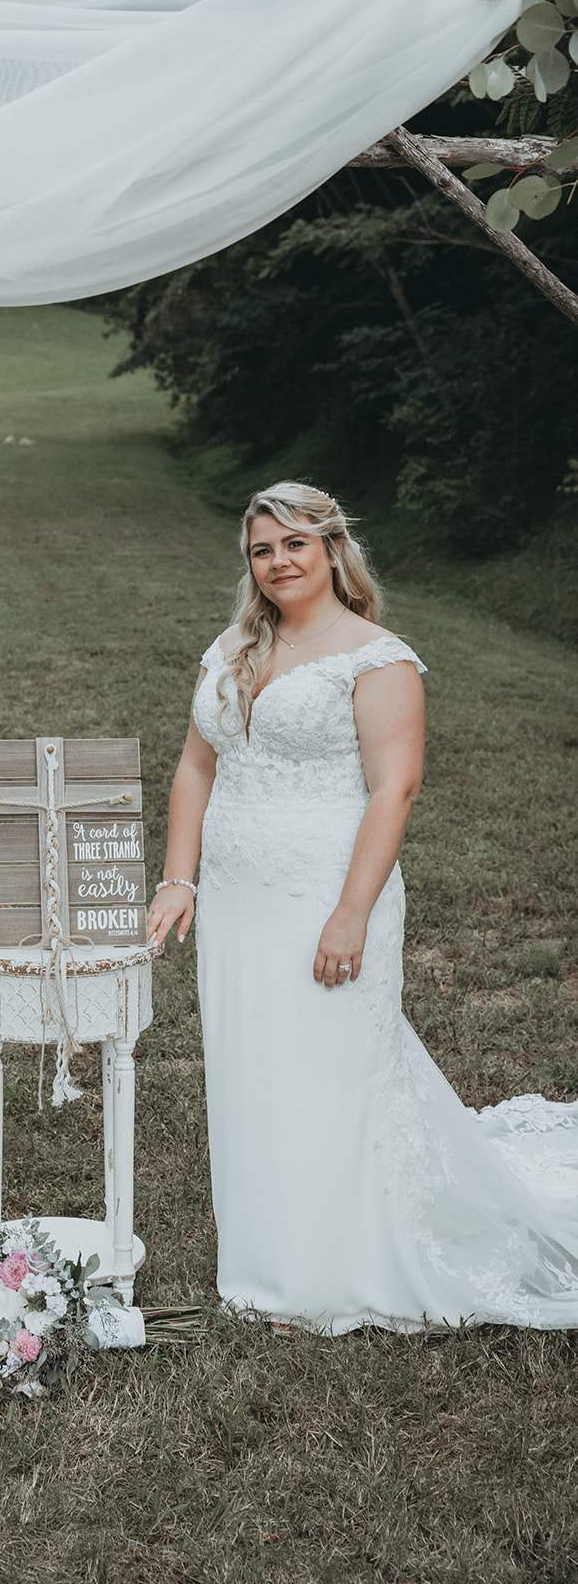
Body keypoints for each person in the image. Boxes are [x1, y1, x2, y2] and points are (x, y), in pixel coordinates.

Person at [147, 481, 578, 1334]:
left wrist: (350, 913)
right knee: (253, 1066)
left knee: (327, 1067)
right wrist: (177, 878)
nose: (277, 562)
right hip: (235, 898)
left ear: (332, 550)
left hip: (326, 890)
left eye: (293, 544)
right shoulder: (230, 646)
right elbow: (195, 766)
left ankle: (326, 1268)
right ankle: (269, 1244)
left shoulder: (376, 657)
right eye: (261, 550)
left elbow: (395, 789)